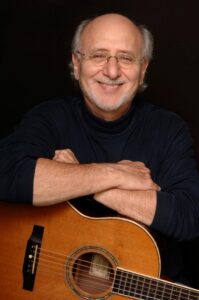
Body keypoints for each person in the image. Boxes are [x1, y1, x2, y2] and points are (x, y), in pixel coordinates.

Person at [0, 13, 199, 286]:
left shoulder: (169, 129)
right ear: (76, 62)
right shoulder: (49, 118)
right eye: (98, 55)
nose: (112, 71)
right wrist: (115, 174)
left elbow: (189, 217)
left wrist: (80, 180)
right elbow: (7, 175)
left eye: (126, 58)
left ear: (143, 69)